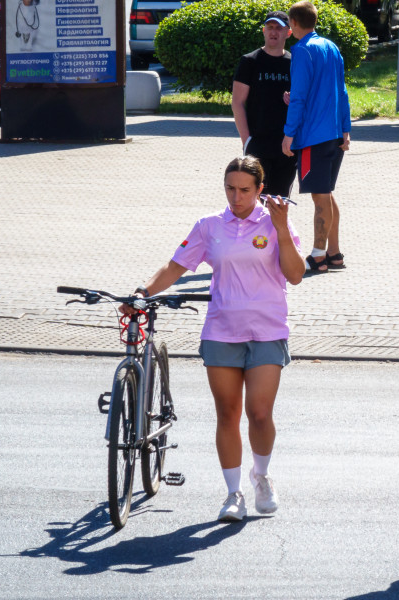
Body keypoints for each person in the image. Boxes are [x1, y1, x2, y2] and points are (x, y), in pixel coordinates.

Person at [127, 156, 304, 522]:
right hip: (222, 330)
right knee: (227, 413)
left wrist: (283, 228)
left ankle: (262, 475)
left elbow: (295, 274)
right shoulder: (209, 226)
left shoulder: (274, 223)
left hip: (268, 330)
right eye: (230, 188)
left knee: (259, 413)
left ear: (260, 189)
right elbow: (176, 266)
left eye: (244, 190)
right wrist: (142, 292)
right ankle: (233, 493)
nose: (236, 197)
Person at [281, 0, 351, 273]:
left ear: (293, 24)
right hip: (333, 134)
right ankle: (334, 254)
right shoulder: (331, 47)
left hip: (312, 137)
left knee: (320, 198)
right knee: (328, 195)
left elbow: (298, 96)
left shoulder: (301, 50)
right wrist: (346, 130)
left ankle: (318, 256)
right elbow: (342, 92)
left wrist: (289, 134)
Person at [232, 11, 297, 198]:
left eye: (279, 28)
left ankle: (278, 229)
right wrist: (247, 141)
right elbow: (237, 103)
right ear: (264, 31)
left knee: (280, 202)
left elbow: (306, 101)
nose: (273, 32)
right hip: (258, 143)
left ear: (288, 33)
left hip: (287, 144)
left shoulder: (294, 63)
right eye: (270, 27)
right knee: (256, 202)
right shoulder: (250, 61)